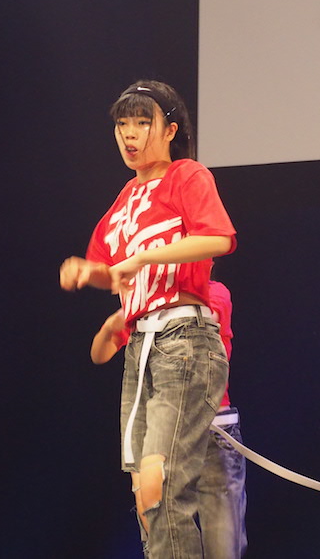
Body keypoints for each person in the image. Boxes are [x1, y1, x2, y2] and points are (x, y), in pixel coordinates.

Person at [60, 80, 236, 558]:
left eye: (142, 123)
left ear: (170, 130)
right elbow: (111, 271)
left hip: (184, 337)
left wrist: (144, 258)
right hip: (142, 348)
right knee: (145, 496)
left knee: (162, 484)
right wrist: (88, 272)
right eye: (122, 124)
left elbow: (218, 238)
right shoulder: (124, 200)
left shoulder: (186, 175)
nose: (129, 134)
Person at [91, 280, 247, 559]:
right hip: (162, 432)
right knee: (159, 529)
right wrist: (112, 325)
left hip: (212, 433)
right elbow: (99, 354)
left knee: (222, 546)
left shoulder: (211, 293)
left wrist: (142, 305)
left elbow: (196, 329)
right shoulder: (146, 308)